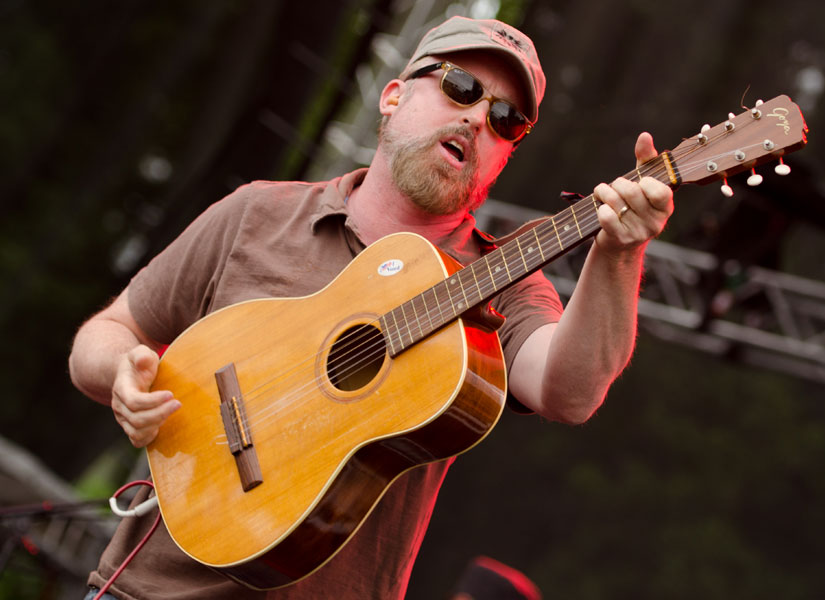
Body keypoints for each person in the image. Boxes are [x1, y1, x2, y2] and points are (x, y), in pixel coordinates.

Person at [68, 16, 673, 600]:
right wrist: (123, 370)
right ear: (392, 97)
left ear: (506, 151)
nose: (476, 117)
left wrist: (621, 253)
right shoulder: (257, 212)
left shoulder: (501, 281)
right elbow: (109, 333)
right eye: (460, 86)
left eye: (506, 120)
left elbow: (570, 391)